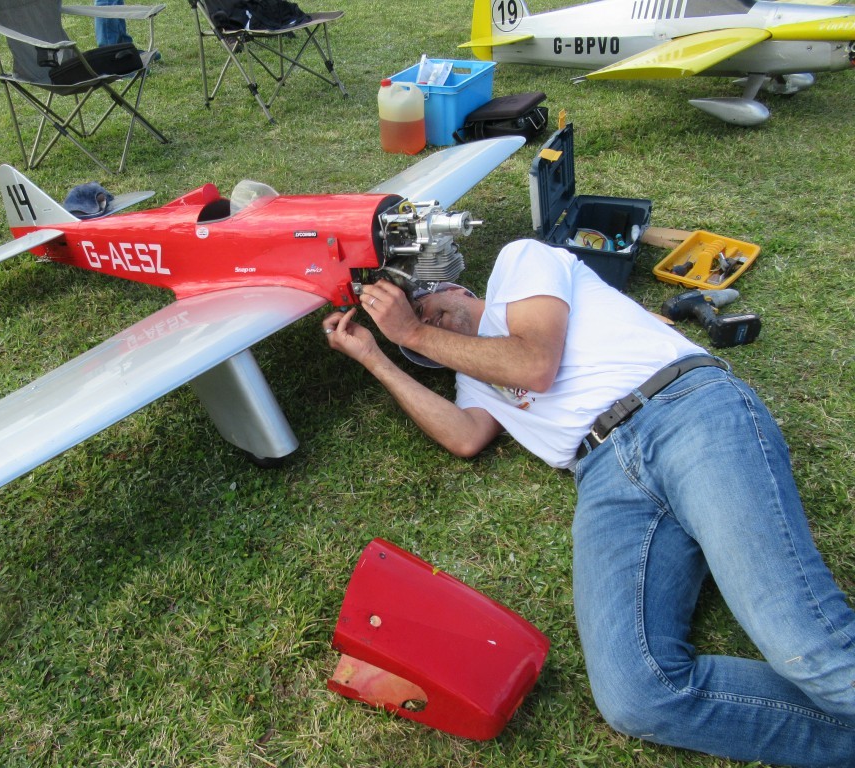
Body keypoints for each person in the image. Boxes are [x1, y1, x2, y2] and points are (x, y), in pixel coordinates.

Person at [322, 238, 855, 767]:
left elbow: (535, 363)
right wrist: (375, 356)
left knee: (799, 639)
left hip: (680, 410)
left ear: (458, 287)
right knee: (636, 696)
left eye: (431, 309)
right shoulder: (475, 379)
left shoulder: (519, 263)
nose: (432, 326)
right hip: (602, 479)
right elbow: (463, 437)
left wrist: (411, 331)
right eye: (427, 339)